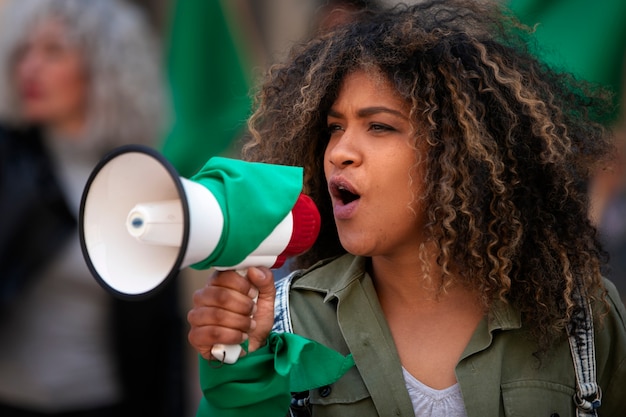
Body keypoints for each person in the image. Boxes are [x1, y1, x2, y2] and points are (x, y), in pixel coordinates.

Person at [186, 1, 626, 416]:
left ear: (460, 154)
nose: (339, 151)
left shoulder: (582, 318)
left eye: (378, 126)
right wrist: (239, 375)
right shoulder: (286, 321)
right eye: (335, 127)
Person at [0, 1, 186, 416]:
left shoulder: (142, 178)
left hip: (105, 404)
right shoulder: (8, 163)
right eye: (24, 50)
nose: (30, 67)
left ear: (104, 67)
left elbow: (163, 333)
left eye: (53, 51)